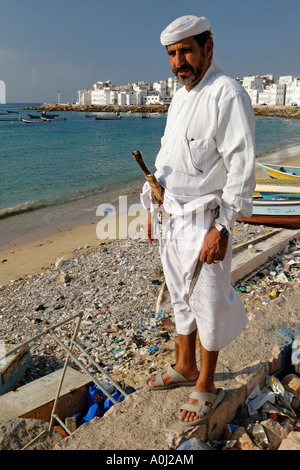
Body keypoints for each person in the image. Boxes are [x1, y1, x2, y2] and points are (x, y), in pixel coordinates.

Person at [141, 15, 256, 426]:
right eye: (172, 54)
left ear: (208, 47)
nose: (178, 62)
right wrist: (154, 206)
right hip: (173, 214)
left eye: (186, 50)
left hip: (208, 217)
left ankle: (206, 383)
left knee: (207, 300)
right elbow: (166, 157)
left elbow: (241, 168)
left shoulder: (228, 94)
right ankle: (184, 365)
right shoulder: (181, 97)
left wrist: (223, 227)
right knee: (179, 295)